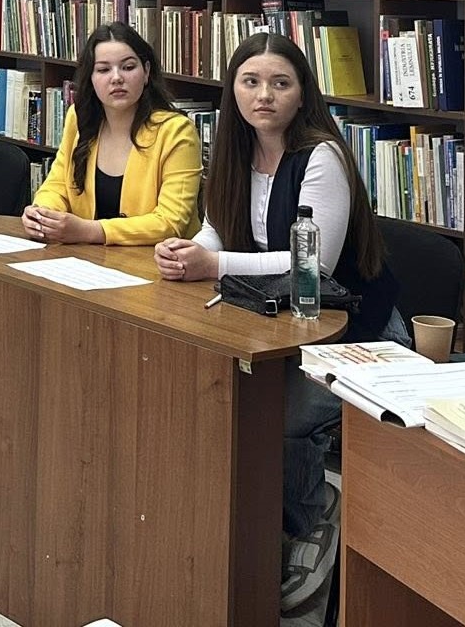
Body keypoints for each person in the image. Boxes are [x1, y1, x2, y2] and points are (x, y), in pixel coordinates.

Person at [154, 30, 401, 613]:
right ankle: (251, 534)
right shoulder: (235, 150)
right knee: (217, 397)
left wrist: (214, 266)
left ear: (301, 93)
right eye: (251, 81)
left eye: (279, 83)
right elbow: (218, 227)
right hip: (278, 324)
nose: (264, 95)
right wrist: (191, 250)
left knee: (279, 415)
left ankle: (312, 520)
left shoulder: (322, 156)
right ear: (233, 90)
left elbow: (312, 263)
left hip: (358, 334)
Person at [21, 22, 200, 246]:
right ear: (91, 78)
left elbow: (170, 223)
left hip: (158, 260)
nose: (116, 78)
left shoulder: (177, 132)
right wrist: (42, 215)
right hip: (86, 257)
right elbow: (57, 186)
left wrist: (89, 231)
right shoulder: (79, 118)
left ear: (146, 72)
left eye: (128, 67)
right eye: (103, 70)